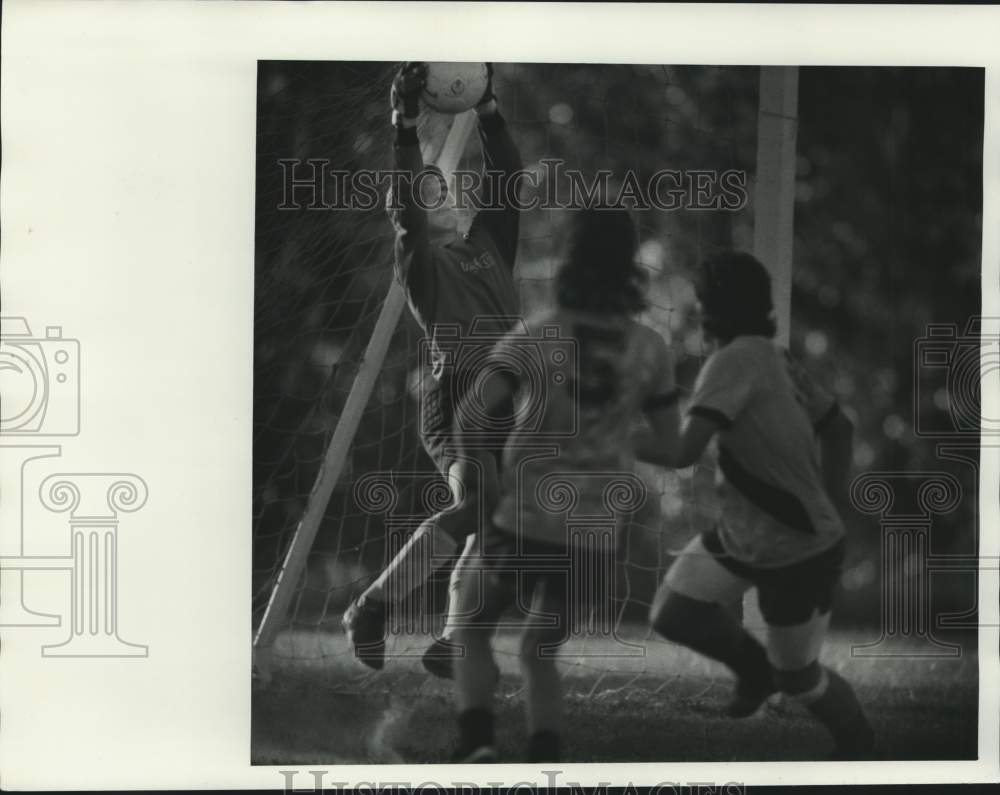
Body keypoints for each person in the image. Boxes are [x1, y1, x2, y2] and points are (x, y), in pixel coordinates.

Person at [447, 208, 680, 762]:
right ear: (630, 266)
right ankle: (544, 757)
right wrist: (617, 439)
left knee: (469, 624)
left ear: (569, 259)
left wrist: (481, 484)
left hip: (525, 515)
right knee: (540, 649)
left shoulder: (537, 333)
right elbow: (671, 447)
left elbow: (470, 418)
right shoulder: (650, 347)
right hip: (596, 529)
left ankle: (478, 743)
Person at [635, 250, 874, 760]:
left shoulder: (732, 360)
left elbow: (682, 452)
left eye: (700, 303)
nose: (695, 313)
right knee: (674, 612)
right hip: (747, 532)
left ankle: (862, 753)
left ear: (712, 309)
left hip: (796, 547)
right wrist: (831, 502)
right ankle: (755, 672)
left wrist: (607, 434)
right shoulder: (774, 355)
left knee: (800, 678)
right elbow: (840, 427)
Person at [342, 62, 524, 675]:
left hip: (510, 397)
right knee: (479, 506)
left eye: (438, 185)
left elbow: (509, 176)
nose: (433, 191)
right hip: (459, 396)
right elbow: (405, 210)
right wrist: (403, 125)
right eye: (425, 189)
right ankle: (372, 606)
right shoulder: (419, 264)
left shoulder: (489, 243)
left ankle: (452, 642)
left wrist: (489, 110)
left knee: (499, 518)